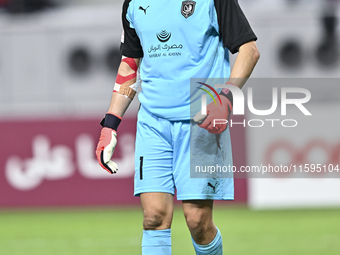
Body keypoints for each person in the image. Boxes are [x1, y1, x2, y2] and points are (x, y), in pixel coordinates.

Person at [96, 0, 259, 254]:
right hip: (153, 123)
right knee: (154, 217)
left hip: (200, 121)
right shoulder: (133, 4)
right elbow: (131, 62)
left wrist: (226, 98)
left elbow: (249, 51)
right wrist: (110, 124)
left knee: (198, 221)